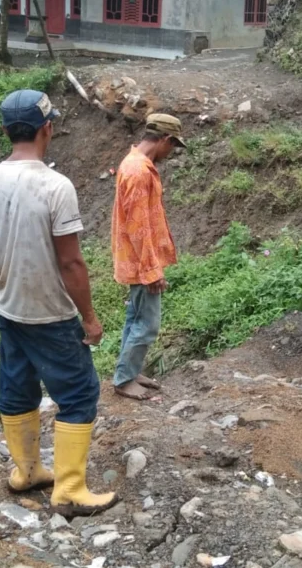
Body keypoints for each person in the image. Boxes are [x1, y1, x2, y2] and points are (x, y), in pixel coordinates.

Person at [0, 88, 117, 517]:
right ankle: (70, 490)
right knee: (78, 393)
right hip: (51, 315)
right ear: (47, 128)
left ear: (5, 131)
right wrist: (90, 318)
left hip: (7, 308)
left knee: (17, 388)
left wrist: (3, 290)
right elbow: (71, 262)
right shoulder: (55, 186)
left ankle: (28, 471)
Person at [110, 114, 185, 401]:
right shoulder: (139, 172)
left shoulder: (133, 164)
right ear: (165, 140)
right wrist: (152, 270)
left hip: (136, 259)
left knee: (136, 317)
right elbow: (138, 228)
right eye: (173, 146)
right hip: (141, 262)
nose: (171, 153)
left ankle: (129, 370)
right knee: (148, 323)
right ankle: (124, 379)